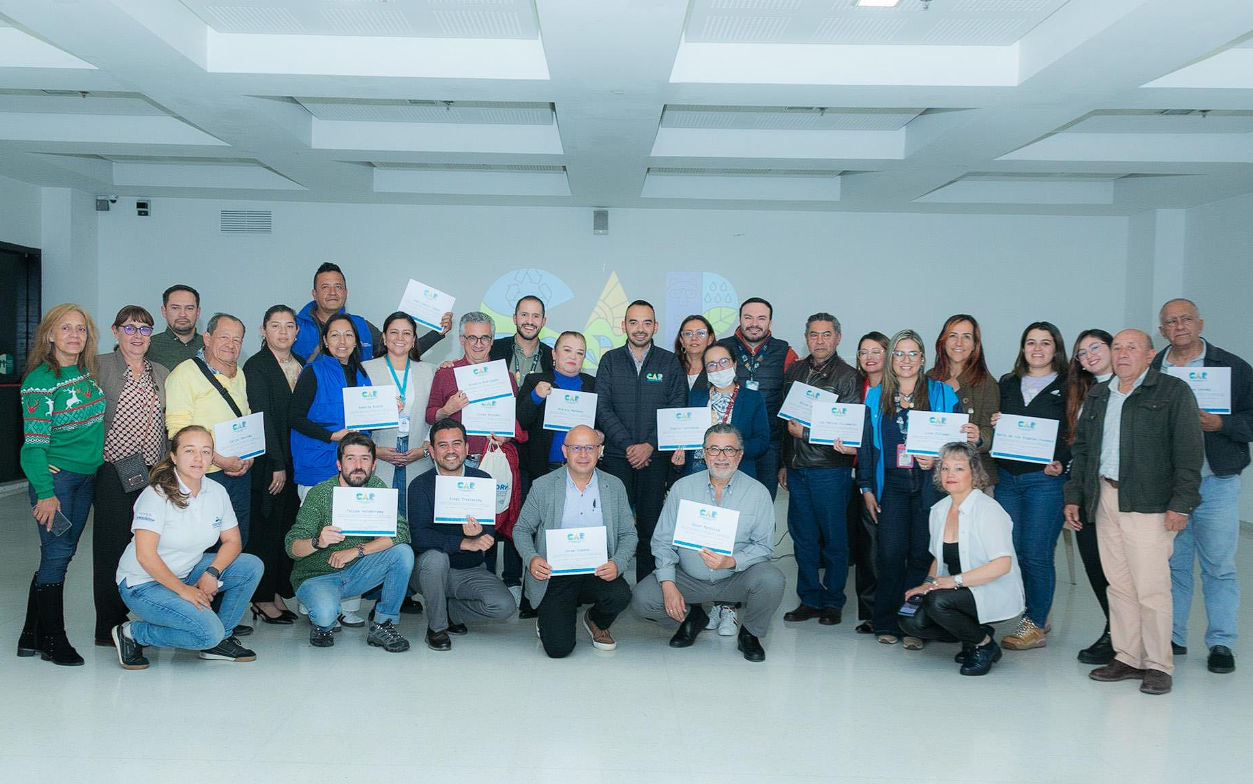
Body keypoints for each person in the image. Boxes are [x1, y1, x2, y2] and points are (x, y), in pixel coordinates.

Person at [1064, 329, 1204, 695]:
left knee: (1152, 588)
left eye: (1132, 347)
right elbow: (1082, 452)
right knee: (1120, 586)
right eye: (1118, 347)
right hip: (1106, 499)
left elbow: (1189, 455)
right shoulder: (1099, 395)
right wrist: (1075, 495)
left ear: (1149, 354)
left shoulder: (1172, 393)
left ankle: (1158, 664)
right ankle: (1127, 657)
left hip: (1151, 504)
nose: (1123, 353)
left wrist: (1181, 504)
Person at [858, 329, 975, 649]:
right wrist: (866, 487)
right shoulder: (876, 396)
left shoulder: (942, 394)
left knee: (922, 557)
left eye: (912, 354)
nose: (905, 360)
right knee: (890, 554)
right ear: (890, 359)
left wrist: (938, 459)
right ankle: (885, 621)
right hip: (892, 486)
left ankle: (914, 625)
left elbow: (958, 445)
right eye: (899, 353)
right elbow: (867, 447)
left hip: (930, 487)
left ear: (923, 359)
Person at [631, 424, 786, 662]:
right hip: (688, 576)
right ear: (704, 453)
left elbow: (764, 547)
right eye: (714, 449)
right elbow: (662, 540)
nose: (721, 457)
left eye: (729, 450)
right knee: (643, 599)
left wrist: (733, 560)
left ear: (740, 454)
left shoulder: (758, 493)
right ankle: (692, 617)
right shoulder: (682, 488)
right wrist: (668, 583)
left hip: (734, 577)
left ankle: (750, 634)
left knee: (772, 579)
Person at [111, 426, 262, 669]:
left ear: (213, 458)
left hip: (185, 571)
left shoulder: (217, 491)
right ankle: (133, 633)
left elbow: (233, 541)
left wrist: (212, 572)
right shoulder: (156, 495)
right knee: (206, 633)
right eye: (189, 451)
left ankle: (220, 640)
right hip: (143, 583)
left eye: (205, 451)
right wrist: (184, 590)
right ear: (174, 456)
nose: (198, 458)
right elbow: (145, 556)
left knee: (251, 566)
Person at [1152, 298, 1249, 675]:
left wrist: (1221, 425)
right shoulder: (1153, 368)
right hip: (1170, 486)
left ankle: (1221, 642)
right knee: (1173, 566)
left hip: (1217, 483)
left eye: (1186, 319)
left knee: (1219, 566)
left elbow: (1252, 419)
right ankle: (1173, 636)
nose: (1179, 326)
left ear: (1200, 323)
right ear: (1161, 331)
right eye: (1170, 322)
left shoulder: (1233, 367)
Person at [17, 303, 106, 666]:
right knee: (56, 557)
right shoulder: (41, 380)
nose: (74, 335)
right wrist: (45, 493)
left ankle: (29, 634)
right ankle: (54, 641)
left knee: (60, 555)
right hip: (59, 482)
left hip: (86, 477)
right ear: (49, 335)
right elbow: (32, 446)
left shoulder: (86, 372)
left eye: (81, 329)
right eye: (65, 328)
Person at [426, 311, 526, 603]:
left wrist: (507, 434)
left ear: (492, 341)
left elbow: (511, 418)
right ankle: (460, 588)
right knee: (461, 529)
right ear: (461, 340)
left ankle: (489, 586)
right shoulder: (446, 373)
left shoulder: (505, 377)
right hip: (460, 464)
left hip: (493, 459)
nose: (478, 344)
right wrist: (448, 407)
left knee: (493, 525)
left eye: (484, 338)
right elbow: (431, 415)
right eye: (472, 337)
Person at [901, 442, 1025, 676]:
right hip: (957, 589)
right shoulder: (939, 509)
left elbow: (1002, 565)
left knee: (938, 602)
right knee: (909, 618)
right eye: (945, 468)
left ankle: (983, 644)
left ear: (974, 473)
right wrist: (927, 583)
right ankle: (973, 635)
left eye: (958, 468)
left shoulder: (988, 510)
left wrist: (954, 581)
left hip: (990, 587)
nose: (950, 475)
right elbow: (939, 557)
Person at [514, 425, 637, 657]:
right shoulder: (543, 486)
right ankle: (550, 619)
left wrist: (618, 563)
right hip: (556, 574)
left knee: (620, 594)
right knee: (558, 649)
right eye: (576, 448)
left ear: (600, 451)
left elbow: (629, 535)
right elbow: (521, 529)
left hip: (598, 570)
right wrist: (532, 558)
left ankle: (595, 620)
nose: (583, 455)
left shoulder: (614, 486)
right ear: (564, 451)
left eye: (590, 448)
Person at [285, 432, 414, 652]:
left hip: (358, 570)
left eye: (364, 458)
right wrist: (318, 541)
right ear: (338, 464)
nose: (358, 465)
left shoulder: (376, 486)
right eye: (350, 458)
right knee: (326, 617)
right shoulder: (321, 493)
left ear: (373, 464)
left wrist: (357, 550)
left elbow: (401, 532)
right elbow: (292, 546)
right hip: (316, 575)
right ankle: (323, 620)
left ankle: (383, 624)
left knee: (403, 553)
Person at [92, 306, 170, 647]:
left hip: (151, 474)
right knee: (110, 548)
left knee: (145, 546)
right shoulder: (98, 366)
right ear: (115, 331)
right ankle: (108, 624)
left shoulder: (161, 372)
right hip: (112, 471)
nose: (137, 335)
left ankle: (143, 614)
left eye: (144, 329)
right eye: (129, 328)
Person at [778, 313, 861, 627]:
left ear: (838, 338)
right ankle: (809, 599)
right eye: (814, 335)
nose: (820, 341)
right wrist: (785, 462)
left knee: (834, 539)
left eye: (826, 334)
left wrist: (807, 435)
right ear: (806, 337)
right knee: (804, 538)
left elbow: (847, 429)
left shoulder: (848, 376)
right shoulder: (795, 370)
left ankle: (833, 601)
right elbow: (784, 421)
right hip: (797, 469)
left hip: (829, 469)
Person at [596, 300, 687, 580]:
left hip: (655, 459)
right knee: (615, 527)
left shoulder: (669, 361)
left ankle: (648, 587)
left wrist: (649, 445)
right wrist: (627, 445)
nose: (640, 329)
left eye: (647, 322)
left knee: (650, 526)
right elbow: (602, 406)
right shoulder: (610, 360)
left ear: (655, 327)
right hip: (616, 458)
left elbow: (677, 405)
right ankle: (613, 588)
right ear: (623, 326)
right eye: (633, 322)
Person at [994, 322, 1070, 652]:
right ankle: (1040, 612)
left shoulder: (1069, 385)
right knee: (1016, 551)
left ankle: (1035, 625)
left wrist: (1062, 461)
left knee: (1037, 553)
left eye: (1045, 343)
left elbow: (1077, 430)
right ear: (1022, 348)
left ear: (1057, 348)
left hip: (1045, 481)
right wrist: (995, 422)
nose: (1037, 349)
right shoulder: (1008, 383)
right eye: (1030, 342)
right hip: (1008, 480)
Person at [408, 419, 515, 651]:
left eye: (456, 444)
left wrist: (480, 535)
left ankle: (450, 612)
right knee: (436, 558)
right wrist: (463, 542)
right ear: (433, 451)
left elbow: (487, 534)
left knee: (504, 606)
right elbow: (419, 536)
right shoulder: (420, 486)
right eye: (443, 445)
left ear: (467, 448)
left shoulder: (482, 481)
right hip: (429, 572)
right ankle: (436, 628)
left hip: (469, 571)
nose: (450, 451)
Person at [515, 330, 597, 618]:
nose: (573, 357)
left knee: (572, 531)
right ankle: (531, 598)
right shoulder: (536, 381)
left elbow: (600, 425)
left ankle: (569, 593)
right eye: (567, 350)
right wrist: (536, 398)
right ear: (554, 354)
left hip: (579, 472)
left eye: (579, 352)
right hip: (542, 470)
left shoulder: (591, 385)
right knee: (538, 533)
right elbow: (520, 420)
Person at [163, 313, 254, 550]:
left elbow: (245, 418)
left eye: (237, 340)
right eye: (224, 337)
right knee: (205, 544)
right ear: (207, 337)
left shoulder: (240, 374)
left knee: (235, 541)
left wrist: (249, 456)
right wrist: (220, 460)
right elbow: (178, 432)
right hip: (203, 475)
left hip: (239, 474)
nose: (230, 344)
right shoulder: (184, 374)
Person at [241, 305, 303, 625]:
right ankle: (261, 597)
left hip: (297, 463)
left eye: (289, 325)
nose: (283, 331)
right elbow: (261, 417)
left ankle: (277, 592)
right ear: (263, 331)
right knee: (265, 531)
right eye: (275, 325)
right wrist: (277, 462)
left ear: (296, 331)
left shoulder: (301, 365)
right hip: (270, 464)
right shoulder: (257, 366)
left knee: (285, 529)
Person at [1063, 328, 1116, 664]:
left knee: (1121, 572)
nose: (1089, 356)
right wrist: (1074, 496)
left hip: (1122, 496)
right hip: (1087, 494)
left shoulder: (1130, 389)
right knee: (1096, 567)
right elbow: (1080, 453)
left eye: (1095, 347)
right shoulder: (1085, 394)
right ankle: (1115, 631)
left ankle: (1128, 637)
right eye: (1082, 353)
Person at [719, 297, 799, 499]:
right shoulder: (722, 348)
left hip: (770, 445)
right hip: (727, 443)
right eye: (748, 318)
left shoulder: (785, 352)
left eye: (761, 318)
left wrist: (785, 460)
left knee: (762, 505)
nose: (754, 324)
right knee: (727, 504)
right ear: (740, 319)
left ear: (770, 323)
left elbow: (793, 404)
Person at [292, 262, 451, 361]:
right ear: (314, 293)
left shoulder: (362, 326)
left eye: (338, 287)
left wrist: (438, 333)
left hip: (358, 409)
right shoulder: (294, 328)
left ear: (346, 292)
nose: (333, 292)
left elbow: (400, 351)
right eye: (325, 287)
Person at [362, 312, 437, 514]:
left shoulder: (430, 370)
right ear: (384, 337)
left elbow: (436, 416)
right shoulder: (364, 370)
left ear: (414, 340)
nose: (400, 338)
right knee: (379, 518)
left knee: (416, 518)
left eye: (406, 333)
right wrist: (372, 450)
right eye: (393, 332)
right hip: (378, 456)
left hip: (418, 456)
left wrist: (426, 448)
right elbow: (355, 419)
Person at [928, 314, 999, 494]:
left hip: (976, 478)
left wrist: (979, 436)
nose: (959, 342)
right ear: (943, 341)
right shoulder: (928, 378)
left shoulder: (987, 382)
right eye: (953, 335)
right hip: (934, 475)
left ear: (975, 344)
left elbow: (992, 431)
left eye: (966, 336)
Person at [848, 331, 890, 634]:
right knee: (867, 548)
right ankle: (871, 611)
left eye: (877, 351)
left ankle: (895, 608)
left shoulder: (900, 389)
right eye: (864, 352)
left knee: (890, 547)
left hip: (887, 477)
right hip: (857, 477)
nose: (870, 357)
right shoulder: (854, 386)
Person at [489, 295, 553, 389]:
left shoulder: (552, 357)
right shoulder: (494, 348)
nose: (530, 321)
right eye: (524, 315)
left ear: (543, 321)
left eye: (536, 316)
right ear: (515, 318)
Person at [145, 284, 204, 371]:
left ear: (198, 312)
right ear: (164, 311)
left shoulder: (210, 346)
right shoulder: (148, 347)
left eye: (189, 308)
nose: (182, 314)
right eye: (175, 308)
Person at [675, 314, 715, 391]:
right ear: (682, 340)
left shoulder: (717, 368)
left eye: (700, 333)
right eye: (688, 334)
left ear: (710, 339)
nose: (694, 338)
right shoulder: (672, 366)